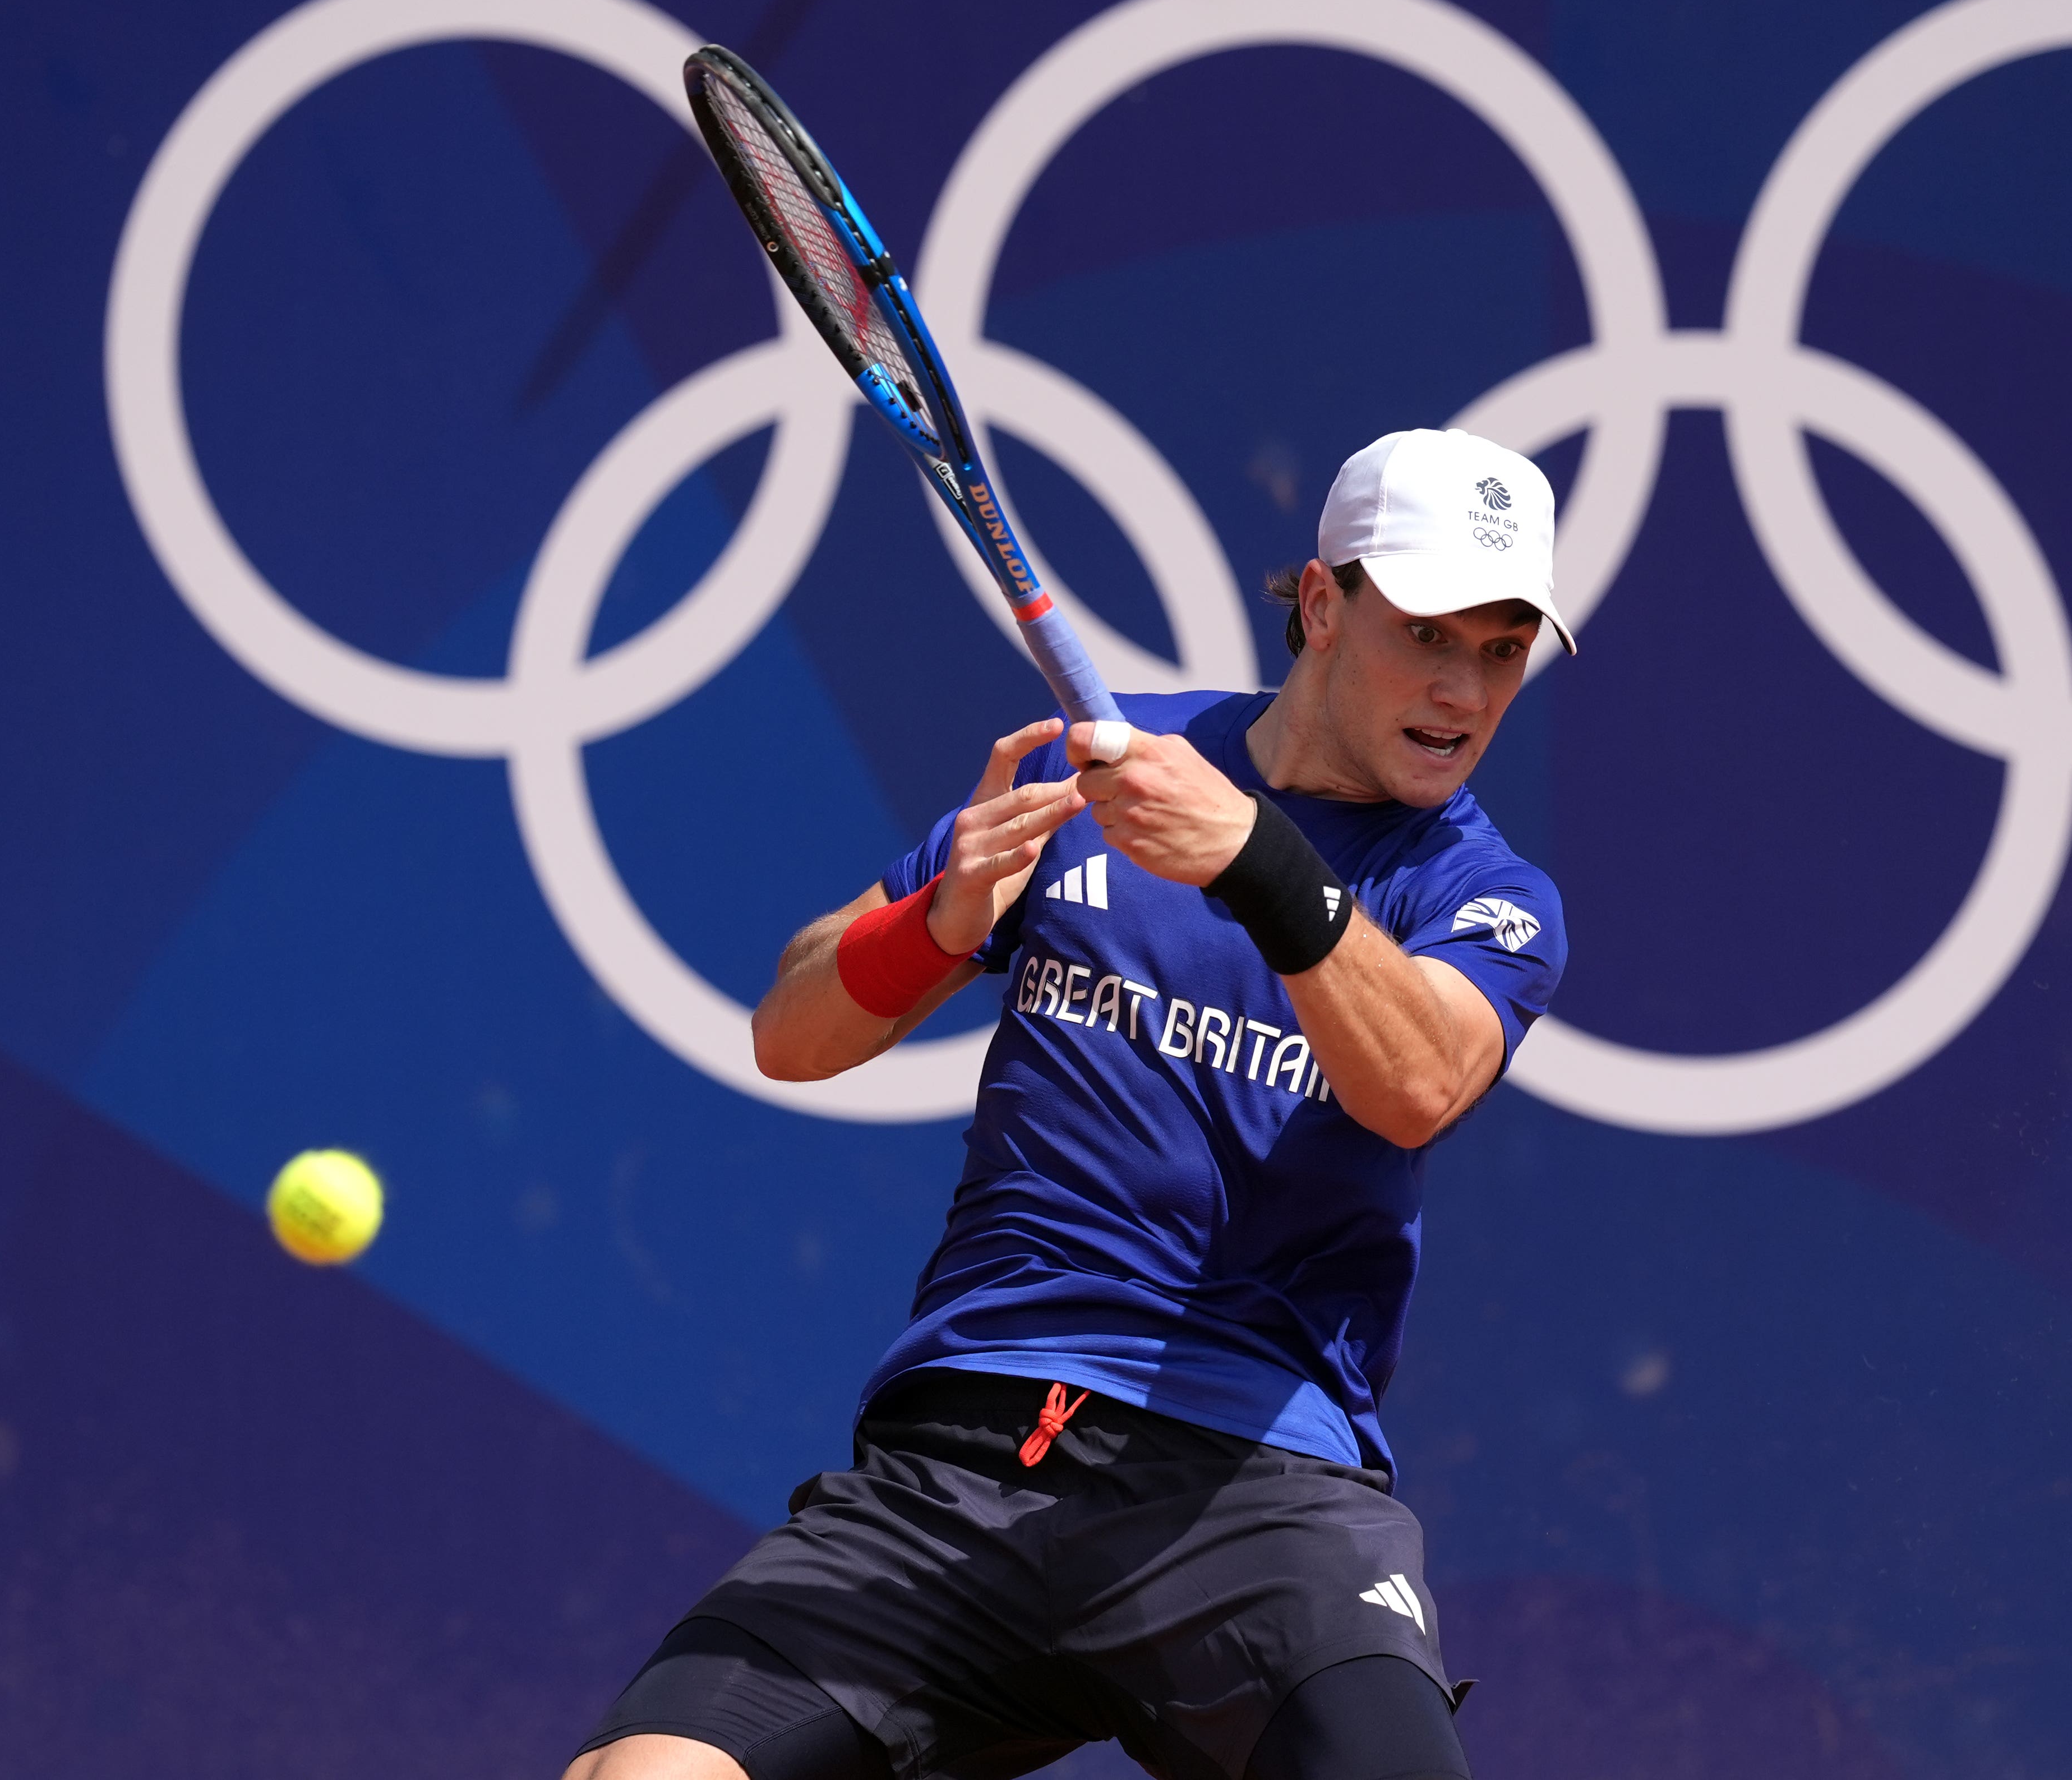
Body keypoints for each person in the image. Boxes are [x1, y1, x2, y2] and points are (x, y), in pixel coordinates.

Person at [565, 430, 1573, 1780]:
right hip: (964, 1459)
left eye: (1502, 649)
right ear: (1323, 606)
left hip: (1253, 1488)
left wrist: (1256, 861)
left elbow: (1421, 1084)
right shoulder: (1100, 772)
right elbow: (790, 1035)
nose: (1463, 689)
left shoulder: (1479, 891)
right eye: (1430, 633)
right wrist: (938, 918)